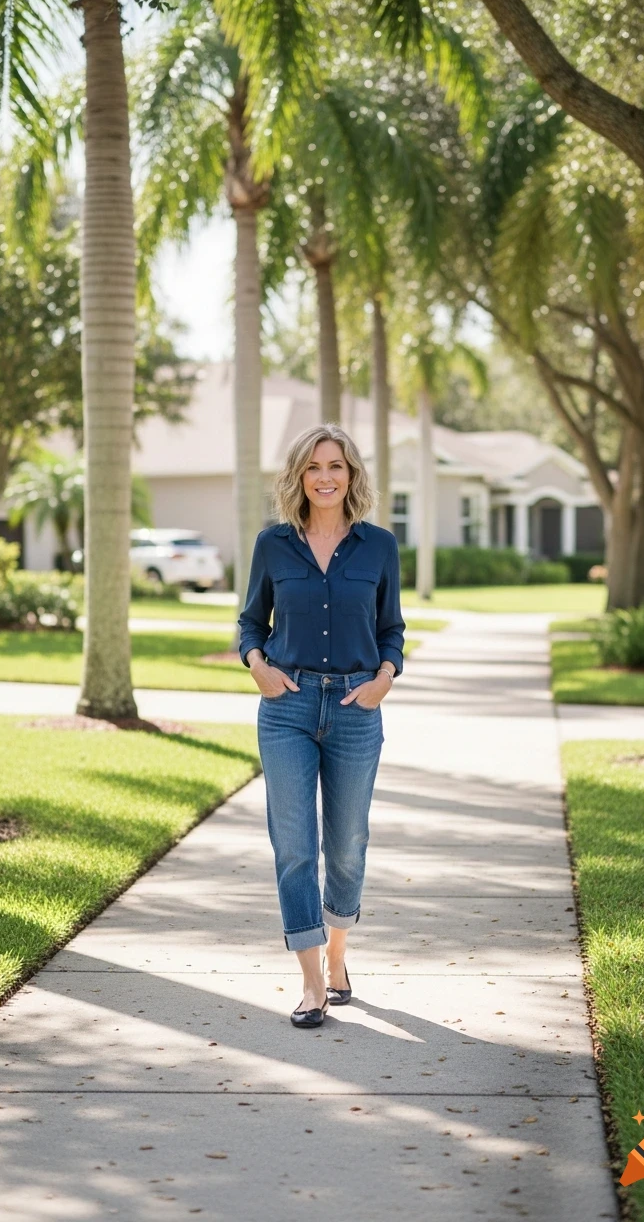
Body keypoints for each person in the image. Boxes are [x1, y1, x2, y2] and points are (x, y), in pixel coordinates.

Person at [238, 423, 405, 1028]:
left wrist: (385, 676)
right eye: (314, 467)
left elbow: (392, 628)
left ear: (351, 474)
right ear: (298, 477)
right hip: (287, 705)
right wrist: (256, 665)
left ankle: (338, 953)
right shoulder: (273, 545)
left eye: (336, 465)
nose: (325, 477)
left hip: (357, 708)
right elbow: (251, 622)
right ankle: (311, 983)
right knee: (293, 847)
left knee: (348, 846)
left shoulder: (379, 546)